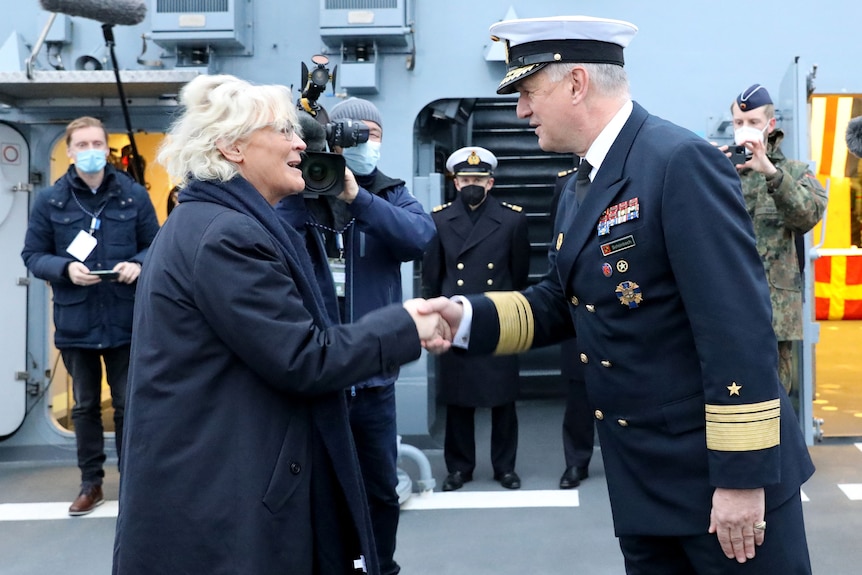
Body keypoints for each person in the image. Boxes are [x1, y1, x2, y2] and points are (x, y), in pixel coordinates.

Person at [420, 15, 815, 573]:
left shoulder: (677, 162)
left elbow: (737, 327)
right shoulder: (580, 183)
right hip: (641, 480)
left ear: (576, 83)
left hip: (714, 485)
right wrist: (459, 319)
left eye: (529, 92)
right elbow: (562, 301)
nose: (521, 112)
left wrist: (741, 480)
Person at [111, 74, 447, 575]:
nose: (300, 143)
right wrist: (405, 325)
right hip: (226, 497)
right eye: (285, 131)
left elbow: (417, 236)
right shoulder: (227, 237)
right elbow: (303, 357)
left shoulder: (216, 220)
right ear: (232, 147)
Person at [276, 97, 436, 575]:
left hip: (371, 379)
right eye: (353, 134)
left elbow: (419, 239)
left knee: (380, 487)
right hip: (315, 374)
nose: (364, 143)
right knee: (314, 487)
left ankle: (380, 565)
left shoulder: (390, 195)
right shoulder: (297, 193)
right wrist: (308, 189)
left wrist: (356, 199)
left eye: (372, 134)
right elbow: (270, 241)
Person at [21, 116, 160, 517]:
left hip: (124, 319)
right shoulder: (51, 200)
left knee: (127, 403)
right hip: (76, 321)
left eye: (97, 142)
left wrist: (138, 263)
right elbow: (32, 255)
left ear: (107, 147)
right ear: (69, 150)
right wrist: (65, 269)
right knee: (84, 407)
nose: (91, 150)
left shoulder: (132, 196)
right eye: (82, 144)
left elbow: (157, 245)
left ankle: (134, 482)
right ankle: (91, 483)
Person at [422, 146, 530, 491]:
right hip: (456, 319)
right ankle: (459, 468)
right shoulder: (438, 219)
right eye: (466, 178)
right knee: (459, 398)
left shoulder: (513, 219)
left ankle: (505, 467)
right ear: (455, 182)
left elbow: (520, 273)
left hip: (497, 314)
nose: (472, 184)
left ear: (491, 183)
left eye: (479, 180)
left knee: (503, 398)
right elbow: (432, 275)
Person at [723, 84, 828, 394]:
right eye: (739, 123)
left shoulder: (794, 173)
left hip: (774, 313)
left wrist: (770, 171)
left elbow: (807, 215)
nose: (745, 130)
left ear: (770, 126)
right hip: (726, 307)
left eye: (753, 123)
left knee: (774, 399)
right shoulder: (721, 171)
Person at [550, 166, 594, 489]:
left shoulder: (636, 173)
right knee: (579, 395)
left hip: (623, 302)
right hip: (578, 307)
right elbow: (559, 244)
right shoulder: (566, 184)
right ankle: (576, 462)